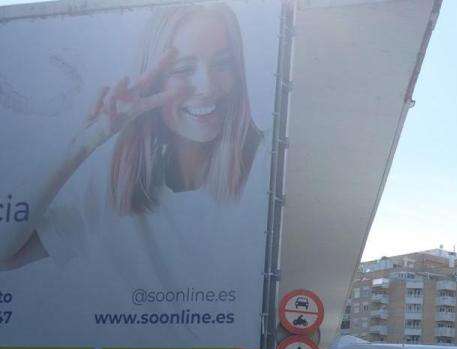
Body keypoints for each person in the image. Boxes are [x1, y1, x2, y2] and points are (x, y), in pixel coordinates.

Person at [0, 2, 263, 272]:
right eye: (183, 69)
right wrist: (82, 144)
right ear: (152, 82)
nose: (207, 87)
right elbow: (4, 252)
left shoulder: (268, 165)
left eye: (222, 64)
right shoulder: (114, 181)